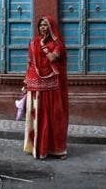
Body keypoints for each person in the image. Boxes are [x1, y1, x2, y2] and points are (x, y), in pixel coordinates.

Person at [22, 15, 69, 160]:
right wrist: (26, 81)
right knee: (37, 116)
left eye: (46, 25)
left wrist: (43, 46)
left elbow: (53, 59)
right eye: (41, 25)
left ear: (51, 27)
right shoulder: (33, 43)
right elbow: (30, 63)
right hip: (35, 85)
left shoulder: (57, 44)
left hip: (52, 87)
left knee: (54, 117)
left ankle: (56, 150)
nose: (43, 27)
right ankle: (37, 147)